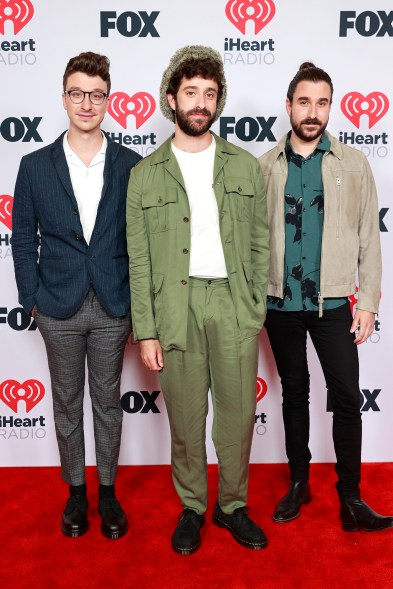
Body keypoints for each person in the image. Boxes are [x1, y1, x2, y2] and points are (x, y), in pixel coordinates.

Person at [126, 45, 269, 554]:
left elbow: (258, 242)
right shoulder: (145, 174)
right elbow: (138, 259)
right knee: (186, 420)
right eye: (191, 92)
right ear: (172, 98)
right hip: (175, 308)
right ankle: (192, 508)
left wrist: (254, 307)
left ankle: (232, 507)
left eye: (210, 93)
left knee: (235, 417)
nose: (201, 102)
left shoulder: (245, 167)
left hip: (232, 304)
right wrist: (146, 329)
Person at [259, 62, 393, 532]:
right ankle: (299, 482)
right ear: (289, 105)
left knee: (346, 397)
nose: (312, 112)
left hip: (334, 303)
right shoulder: (265, 167)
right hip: (280, 305)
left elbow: (368, 238)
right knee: (294, 393)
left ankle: (351, 497)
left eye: (321, 103)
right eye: (304, 102)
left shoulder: (354, 164)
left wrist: (370, 302)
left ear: (330, 107)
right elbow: (255, 238)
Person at [12, 51, 141, 539]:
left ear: (108, 99)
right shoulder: (34, 165)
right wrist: (33, 300)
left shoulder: (131, 164)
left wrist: (134, 304)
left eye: (96, 94)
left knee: (107, 401)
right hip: (58, 305)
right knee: (67, 402)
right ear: (63, 97)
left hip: (112, 303)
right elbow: (23, 238)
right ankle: (76, 494)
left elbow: (139, 240)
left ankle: (107, 493)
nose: (87, 103)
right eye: (77, 93)